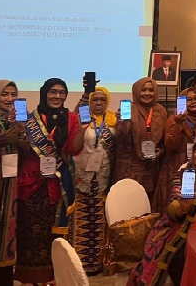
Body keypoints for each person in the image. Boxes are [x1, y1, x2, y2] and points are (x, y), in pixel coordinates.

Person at [129, 132, 196, 286]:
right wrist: (183, 206)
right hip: (180, 228)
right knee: (179, 259)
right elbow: (172, 206)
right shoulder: (183, 174)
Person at [15, 78, 80, 284]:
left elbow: (73, 149)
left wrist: (83, 129)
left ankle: (54, 277)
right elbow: (21, 150)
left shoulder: (71, 119)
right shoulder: (29, 119)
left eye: (62, 92)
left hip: (58, 184)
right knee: (30, 232)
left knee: (55, 233)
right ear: (44, 93)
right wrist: (19, 131)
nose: (57, 96)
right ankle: (30, 278)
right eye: (53, 92)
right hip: (31, 183)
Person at [69, 86, 117, 276]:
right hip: (82, 176)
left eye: (102, 100)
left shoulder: (114, 121)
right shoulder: (81, 119)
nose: (98, 103)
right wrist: (81, 130)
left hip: (104, 177)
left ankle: (96, 263)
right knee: (81, 219)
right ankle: (78, 263)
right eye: (95, 100)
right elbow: (74, 147)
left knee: (99, 221)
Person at [154, 88, 196, 214]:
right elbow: (170, 145)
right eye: (189, 100)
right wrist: (178, 124)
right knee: (176, 204)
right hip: (175, 168)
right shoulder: (173, 119)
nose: (193, 102)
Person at [114, 77, 167, 200]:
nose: (147, 93)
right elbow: (122, 140)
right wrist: (123, 123)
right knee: (127, 201)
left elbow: (164, 141)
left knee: (146, 203)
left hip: (151, 167)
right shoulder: (130, 109)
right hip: (130, 166)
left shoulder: (161, 111)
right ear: (137, 91)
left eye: (151, 90)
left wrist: (160, 153)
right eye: (143, 90)